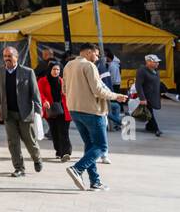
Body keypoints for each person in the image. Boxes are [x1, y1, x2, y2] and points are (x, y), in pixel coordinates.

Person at [65, 43, 129, 191]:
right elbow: (98, 90)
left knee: (90, 146)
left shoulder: (69, 65)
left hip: (75, 110)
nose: (98, 56)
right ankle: (77, 169)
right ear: (88, 52)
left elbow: (65, 89)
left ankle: (95, 181)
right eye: (97, 53)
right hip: (92, 111)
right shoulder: (89, 66)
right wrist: (116, 96)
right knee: (101, 146)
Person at [0, 45, 46, 177]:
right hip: (8, 113)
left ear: (16, 57)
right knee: (13, 142)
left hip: (25, 113)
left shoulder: (28, 72)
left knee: (29, 140)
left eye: (9, 56)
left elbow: (35, 94)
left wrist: (39, 112)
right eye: (5, 56)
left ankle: (37, 158)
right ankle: (19, 168)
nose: (7, 59)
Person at [38, 61, 74, 161]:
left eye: (58, 69)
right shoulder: (42, 81)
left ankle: (66, 153)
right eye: (54, 69)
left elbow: (68, 93)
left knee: (64, 131)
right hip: (51, 110)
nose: (56, 71)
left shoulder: (62, 81)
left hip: (64, 109)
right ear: (50, 70)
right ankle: (59, 151)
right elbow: (39, 93)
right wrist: (44, 101)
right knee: (54, 132)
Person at [135, 54, 164, 137]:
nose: (157, 63)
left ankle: (149, 126)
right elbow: (138, 85)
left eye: (157, 62)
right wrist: (142, 98)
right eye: (155, 62)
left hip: (154, 96)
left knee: (150, 112)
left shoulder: (155, 71)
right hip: (146, 96)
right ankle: (156, 129)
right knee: (150, 113)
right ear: (148, 62)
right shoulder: (142, 70)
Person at [103, 48, 124, 131]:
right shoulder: (115, 64)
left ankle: (117, 123)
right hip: (114, 85)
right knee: (113, 106)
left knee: (113, 105)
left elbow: (112, 78)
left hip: (113, 85)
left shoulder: (112, 66)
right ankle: (118, 122)